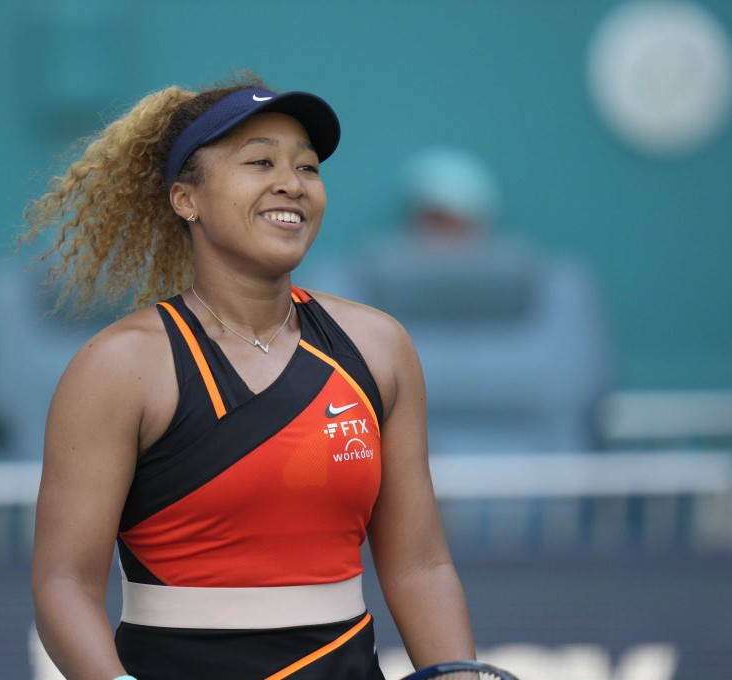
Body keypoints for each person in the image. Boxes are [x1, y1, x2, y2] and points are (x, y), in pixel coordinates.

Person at [24, 72, 476, 680]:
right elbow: (63, 583)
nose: (291, 183)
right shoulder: (119, 367)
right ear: (187, 199)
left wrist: (457, 675)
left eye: (308, 168)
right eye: (260, 162)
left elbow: (420, 565)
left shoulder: (379, 349)